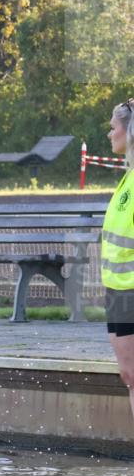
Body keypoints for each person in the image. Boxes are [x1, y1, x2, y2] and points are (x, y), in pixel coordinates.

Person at [100, 97, 134, 417]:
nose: (110, 134)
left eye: (114, 128)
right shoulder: (128, 177)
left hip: (130, 291)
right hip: (117, 290)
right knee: (129, 375)